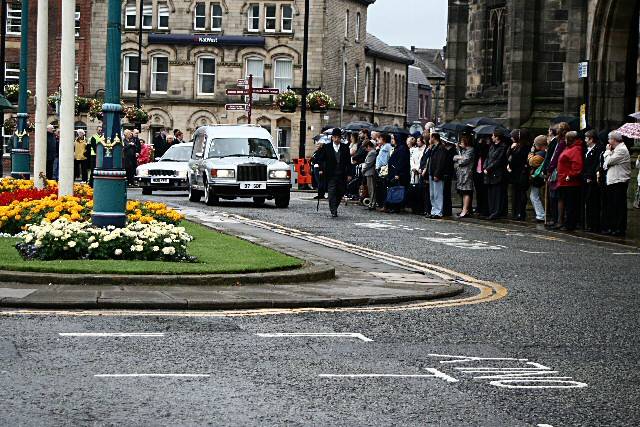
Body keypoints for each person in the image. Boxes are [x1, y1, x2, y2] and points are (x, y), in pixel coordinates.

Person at [602, 131, 631, 236]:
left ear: (614, 140)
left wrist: (607, 152)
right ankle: (613, 227)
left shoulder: (621, 150)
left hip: (619, 181)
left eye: (609, 139)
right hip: (613, 181)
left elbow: (608, 162)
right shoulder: (616, 150)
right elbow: (605, 165)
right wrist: (608, 156)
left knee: (619, 206)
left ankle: (619, 228)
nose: (608, 141)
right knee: (613, 206)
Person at [319, 128, 351, 217]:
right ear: (332, 137)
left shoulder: (345, 147)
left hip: (341, 174)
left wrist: (349, 174)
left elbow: (348, 162)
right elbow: (321, 160)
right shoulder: (327, 147)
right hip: (330, 174)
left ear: (340, 138)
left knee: (340, 192)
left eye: (338, 137)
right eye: (335, 137)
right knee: (332, 192)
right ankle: (333, 210)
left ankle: (335, 206)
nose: (337, 139)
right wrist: (321, 169)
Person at [556, 131, 584, 231]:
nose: (565, 140)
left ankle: (570, 224)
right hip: (563, 180)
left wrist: (570, 175)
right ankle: (563, 222)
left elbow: (577, 166)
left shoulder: (576, 149)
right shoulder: (569, 148)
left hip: (569, 181)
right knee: (565, 202)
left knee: (570, 204)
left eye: (566, 139)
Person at [543, 123, 569, 227]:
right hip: (556, 170)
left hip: (557, 171)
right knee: (554, 196)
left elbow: (555, 157)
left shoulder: (562, 143)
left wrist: (549, 170)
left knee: (557, 197)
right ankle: (555, 219)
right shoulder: (559, 141)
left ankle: (558, 220)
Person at [583, 129, 605, 231]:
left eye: (586, 138)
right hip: (586, 179)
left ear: (591, 139)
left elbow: (596, 165)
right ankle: (589, 224)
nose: (585, 140)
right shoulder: (588, 149)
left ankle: (594, 225)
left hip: (593, 180)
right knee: (588, 202)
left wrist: (590, 177)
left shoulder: (598, 149)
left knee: (594, 203)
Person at [484, 130, 508, 220]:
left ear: (497, 137)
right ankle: (492, 211)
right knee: (491, 193)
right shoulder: (492, 146)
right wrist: (485, 166)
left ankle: (496, 212)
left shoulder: (503, 147)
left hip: (497, 174)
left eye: (493, 136)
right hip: (489, 173)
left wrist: (488, 168)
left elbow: (499, 160)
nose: (491, 137)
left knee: (497, 194)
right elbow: (487, 157)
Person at [507, 129, 531, 220]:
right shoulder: (516, 146)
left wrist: (513, 151)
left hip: (522, 173)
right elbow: (508, 158)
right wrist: (511, 149)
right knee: (516, 194)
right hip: (515, 173)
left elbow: (517, 159)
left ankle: (521, 212)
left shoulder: (525, 147)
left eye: (513, 136)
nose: (511, 138)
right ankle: (516, 212)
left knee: (521, 194)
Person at [384, 133, 410, 213]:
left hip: (399, 173)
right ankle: (393, 206)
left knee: (397, 190)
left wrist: (397, 173)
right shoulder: (399, 147)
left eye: (393, 138)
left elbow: (401, 162)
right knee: (394, 189)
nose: (392, 140)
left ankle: (396, 207)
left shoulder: (402, 148)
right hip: (394, 172)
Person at [427, 132, 448, 219]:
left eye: (430, 138)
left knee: (438, 194)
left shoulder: (441, 148)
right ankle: (434, 210)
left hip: (436, 174)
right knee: (432, 194)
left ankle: (438, 212)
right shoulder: (434, 148)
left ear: (434, 138)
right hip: (431, 173)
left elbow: (440, 162)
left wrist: (437, 174)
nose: (429, 140)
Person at [454, 134, 475, 218]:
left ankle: (465, 210)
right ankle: (464, 209)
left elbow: (464, 161)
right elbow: (454, 158)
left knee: (466, 192)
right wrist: (459, 156)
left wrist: (459, 159)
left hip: (467, 174)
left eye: (462, 142)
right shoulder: (463, 150)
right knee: (462, 192)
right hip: (461, 174)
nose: (460, 143)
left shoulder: (470, 150)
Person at [528, 135, 548, 223]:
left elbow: (531, 162)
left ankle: (541, 215)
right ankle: (540, 214)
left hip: (538, 177)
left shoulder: (542, 153)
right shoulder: (543, 152)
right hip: (540, 177)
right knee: (534, 196)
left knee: (534, 196)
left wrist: (531, 153)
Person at [473, 136, 490, 217]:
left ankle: (484, 209)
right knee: (478, 191)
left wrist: (483, 144)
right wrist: (479, 143)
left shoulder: (488, 147)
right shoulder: (477, 146)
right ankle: (479, 207)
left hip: (483, 171)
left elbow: (484, 154)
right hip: (477, 171)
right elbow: (476, 153)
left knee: (484, 192)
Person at [374, 132, 392, 209]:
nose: (378, 140)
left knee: (383, 187)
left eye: (380, 138)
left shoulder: (386, 147)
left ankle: (384, 205)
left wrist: (379, 166)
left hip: (383, 169)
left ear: (383, 139)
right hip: (381, 168)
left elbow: (384, 160)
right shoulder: (383, 146)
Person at [361, 141, 377, 210]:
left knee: (372, 189)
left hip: (370, 173)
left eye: (365, 148)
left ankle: (372, 204)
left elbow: (368, 164)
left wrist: (363, 170)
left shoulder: (372, 153)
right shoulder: (371, 152)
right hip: (369, 172)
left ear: (368, 146)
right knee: (370, 189)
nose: (365, 149)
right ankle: (371, 203)